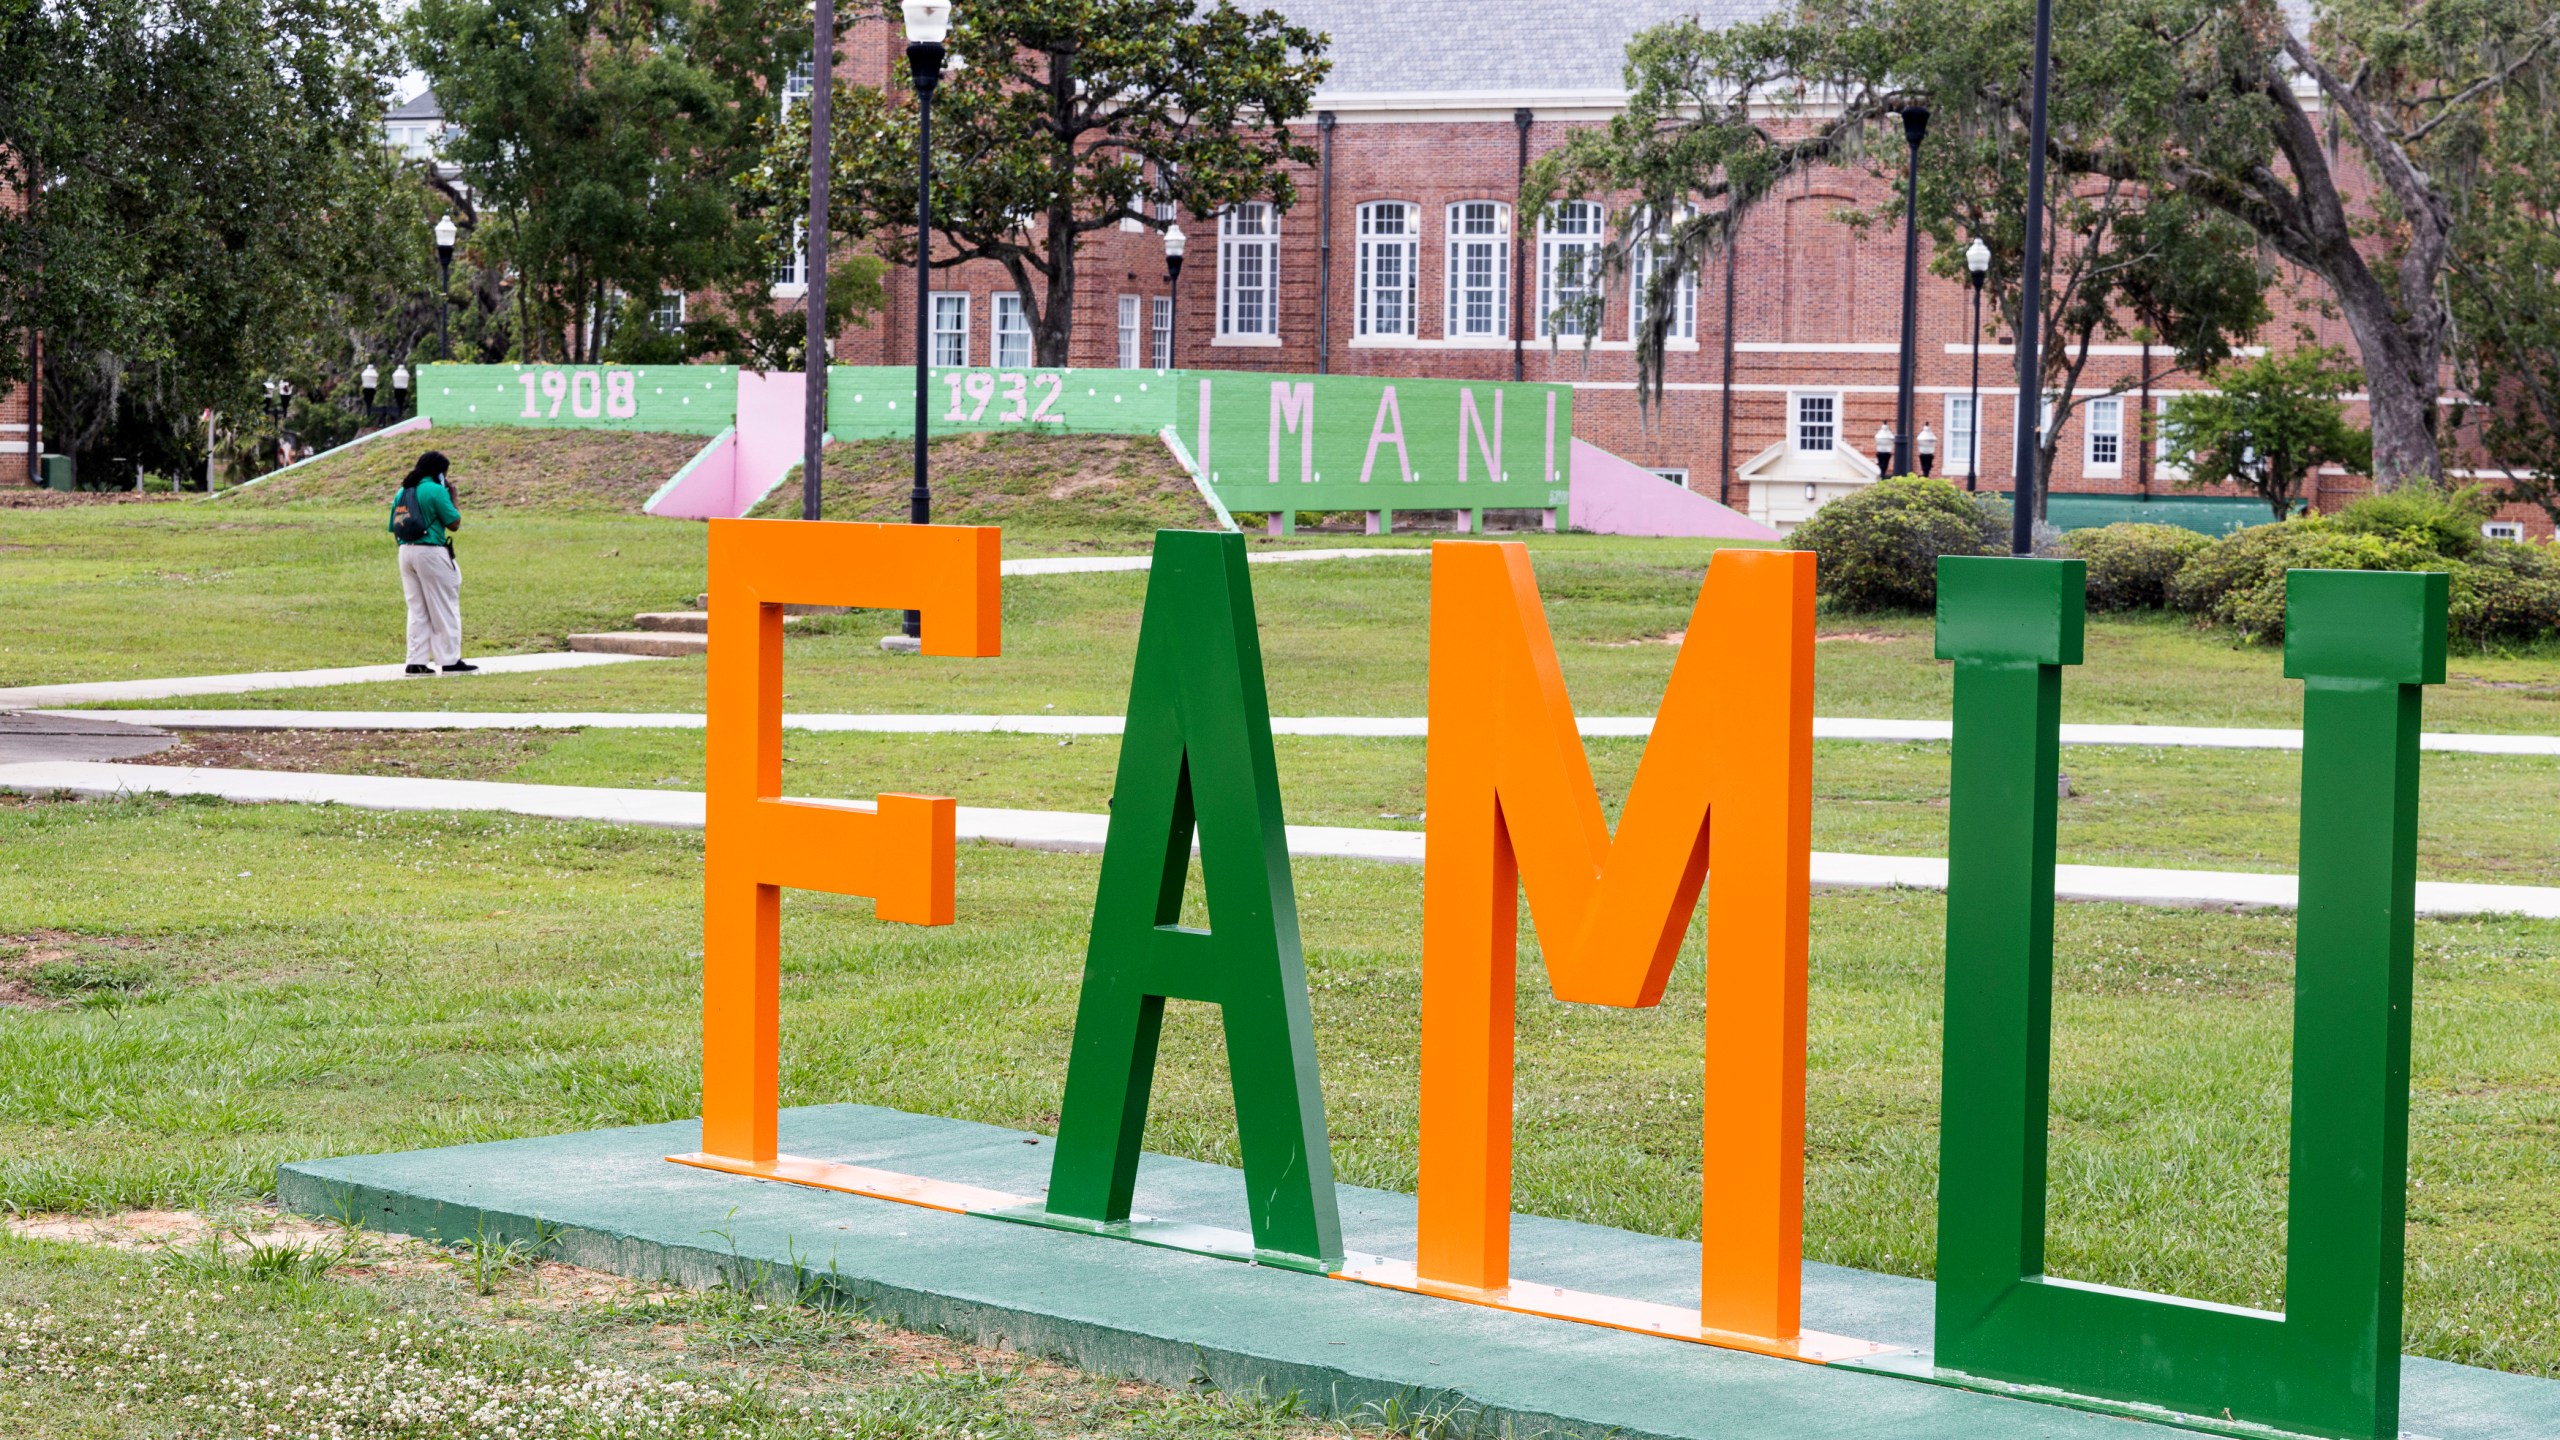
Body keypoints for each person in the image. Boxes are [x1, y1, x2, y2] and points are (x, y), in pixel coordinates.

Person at [389, 450, 476, 675]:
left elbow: (394, 526)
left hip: (405, 551)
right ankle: (450, 661)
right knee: (444, 606)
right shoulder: (436, 491)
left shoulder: (403, 491)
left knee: (417, 609)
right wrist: (453, 497)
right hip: (431, 551)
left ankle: (415, 662)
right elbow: (454, 523)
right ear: (439, 472)